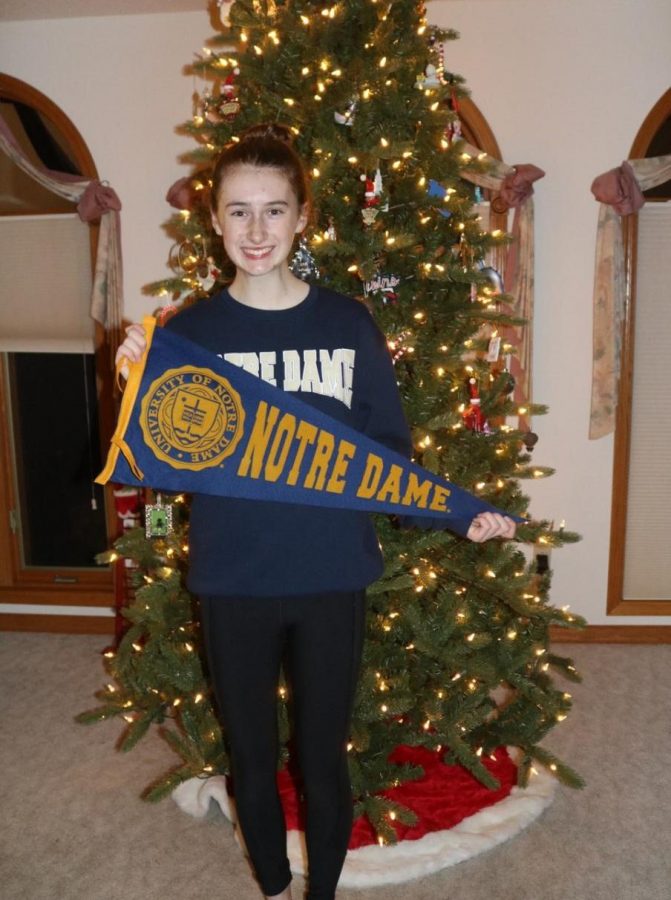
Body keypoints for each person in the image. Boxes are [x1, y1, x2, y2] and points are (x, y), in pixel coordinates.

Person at [116, 123, 516, 900]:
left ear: (303, 217)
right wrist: (135, 384)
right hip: (231, 578)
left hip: (332, 574)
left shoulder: (345, 324)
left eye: (273, 210)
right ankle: (270, 887)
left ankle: (322, 894)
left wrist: (457, 513)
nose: (255, 231)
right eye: (238, 211)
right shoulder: (189, 335)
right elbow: (149, 462)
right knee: (251, 757)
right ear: (214, 219)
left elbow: (387, 458)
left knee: (322, 756)